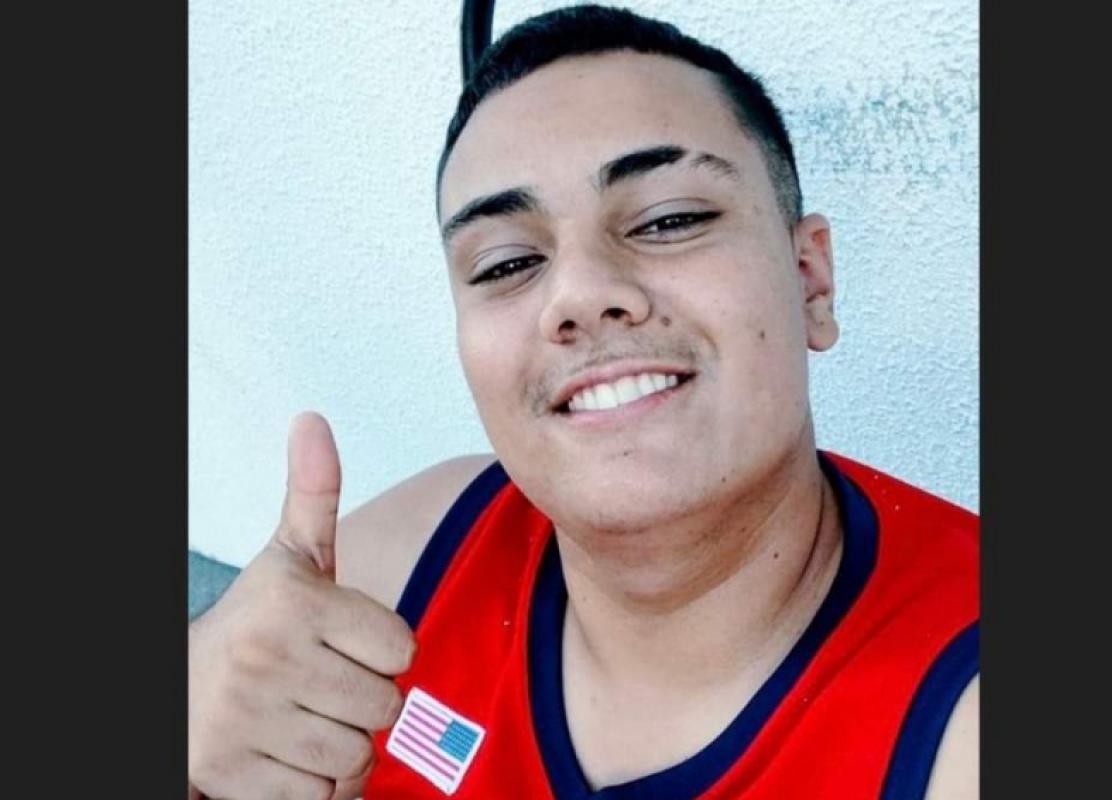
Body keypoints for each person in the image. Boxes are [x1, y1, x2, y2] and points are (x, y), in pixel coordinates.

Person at [188, 5, 978, 799]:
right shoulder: (418, 559)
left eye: (669, 220)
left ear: (810, 281)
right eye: (505, 264)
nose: (579, 293)